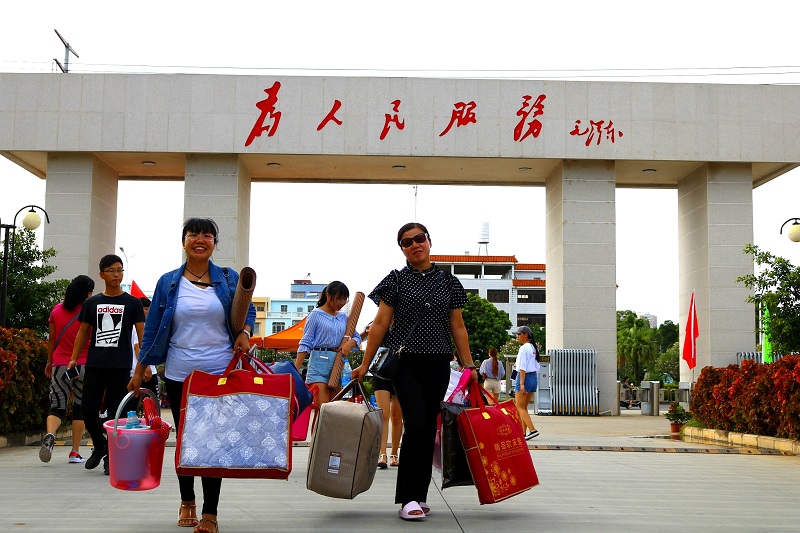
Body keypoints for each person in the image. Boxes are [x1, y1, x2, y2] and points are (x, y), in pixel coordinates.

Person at [130, 217, 255, 533]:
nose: (200, 239)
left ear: (215, 243)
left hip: (219, 373)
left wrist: (246, 331)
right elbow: (153, 327)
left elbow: (248, 309)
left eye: (208, 235)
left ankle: (210, 513)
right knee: (186, 438)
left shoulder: (228, 278)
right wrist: (141, 368)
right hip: (179, 373)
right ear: (183, 241)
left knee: (214, 440)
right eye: (193, 234)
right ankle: (187, 500)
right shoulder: (168, 282)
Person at [352, 222, 477, 521]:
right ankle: (408, 498)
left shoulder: (449, 282)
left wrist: (469, 365)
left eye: (419, 239)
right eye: (406, 243)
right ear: (402, 250)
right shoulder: (395, 280)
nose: (414, 245)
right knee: (417, 424)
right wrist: (365, 364)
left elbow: (457, 326)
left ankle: (419, 496)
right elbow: (380, 323)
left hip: (438, 363)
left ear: (429, 241)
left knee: (427, 428)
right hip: (405, 364)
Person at [68, 256, 146, 475]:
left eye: (120, 270)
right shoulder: (92, 302)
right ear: (101, 274)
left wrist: (144, 364)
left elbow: (142, 334)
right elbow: (83, 331)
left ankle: (112, 457)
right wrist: (73, 358)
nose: (116, 274)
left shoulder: (132, 303)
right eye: (111, 270)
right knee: (88, 409)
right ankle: (100, 444)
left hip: (120, 367)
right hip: (95, 364)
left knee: (115, 414)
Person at [39, 275, 95, 464]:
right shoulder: (89, 311)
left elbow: (51, 339)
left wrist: (49, 361)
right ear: (87, 293)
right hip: (83, 365)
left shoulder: (56, 310)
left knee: (57, 406)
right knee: (79, 408)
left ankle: (50, 434)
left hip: (60, 365)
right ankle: (74, 452)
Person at [294, 281, 361, 408]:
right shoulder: (315, 315)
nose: (342, 303)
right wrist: (296, 369)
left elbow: (357, 337)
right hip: (318, 363)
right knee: (323, 408)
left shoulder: (343, 317)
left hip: (337, 364)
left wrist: (349, 343)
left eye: (345, 299)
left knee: (334, 410)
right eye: (339, 299)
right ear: (328, 296)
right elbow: (306, 342)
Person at [361, 323, 403, 469]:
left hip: (401, 370)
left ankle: (394, 453)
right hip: (381, 369)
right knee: (383, 413)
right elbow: (364, 339)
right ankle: (382, 453)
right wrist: (367, 331)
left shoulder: (404, 319)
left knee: (397, 415)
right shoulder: (379, 321)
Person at [126, 296, 158, 413]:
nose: (148, 311)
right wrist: (146, 366)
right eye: (146, 308)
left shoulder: (133, 325)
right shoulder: (139, 326)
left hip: (136, 371)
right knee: (152, 405)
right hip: (145, 371)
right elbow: (137, 347)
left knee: (133, 406)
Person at [514, 326, 541, 440]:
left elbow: (523, 367)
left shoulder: (524, 348)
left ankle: (533, 430)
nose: (517, 336)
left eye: (519, 334)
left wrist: (521, 383)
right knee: (524, 408)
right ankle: (523, 433)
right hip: (533, 377)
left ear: (525, 335)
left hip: (524, 378)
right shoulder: (533, 347)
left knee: (519, 407)